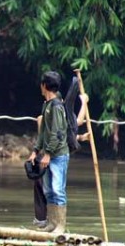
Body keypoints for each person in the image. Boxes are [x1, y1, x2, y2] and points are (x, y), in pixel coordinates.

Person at [31, 94, 90, 229]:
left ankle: (52, 223)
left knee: (51, 190)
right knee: (48, 190)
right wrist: (84, 102)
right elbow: (74, 125)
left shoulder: (53, 116)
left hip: (49, 158)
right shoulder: (48, 117)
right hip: (46, 158)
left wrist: (80, 137)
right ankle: (48, 222)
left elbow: (66, 133)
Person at [28, 71, 70, 234]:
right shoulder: (46, 105)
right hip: (47, 154)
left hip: (57, 155)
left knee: (58, 189)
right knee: (48, 189)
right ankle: (51, 223)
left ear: (44, 86)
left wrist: (48, 154)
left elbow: (58, 133)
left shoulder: (57, 106)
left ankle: (60, 225)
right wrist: (35, 151)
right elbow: (44, 132)